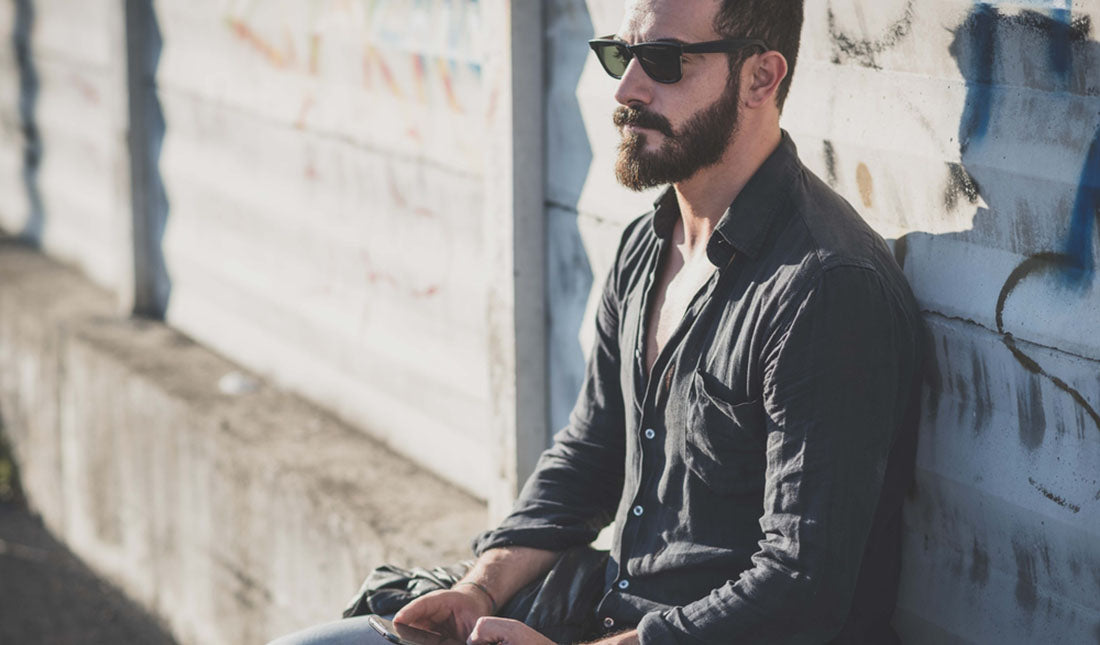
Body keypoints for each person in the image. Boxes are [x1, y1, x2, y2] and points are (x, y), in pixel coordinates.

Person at [271, 0, 924, 642]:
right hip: (606, 610)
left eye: (664, 62)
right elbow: (589, 454)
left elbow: (799, 588)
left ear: (761, 77)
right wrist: (480, 589)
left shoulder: (824, 287)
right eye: (622, 54)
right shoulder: (648, 244)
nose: (627, 88)